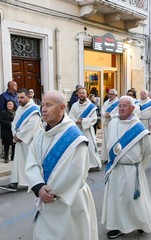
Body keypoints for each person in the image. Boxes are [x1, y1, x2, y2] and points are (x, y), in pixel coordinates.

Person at [25, 90, 98, 240]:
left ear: (62, 107)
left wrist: (48, 193)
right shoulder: (40, 133)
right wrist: (38, 187)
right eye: (43, 105)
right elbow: (31, 161)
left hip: (68, 203)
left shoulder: (75, 138)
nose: (43, 109)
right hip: (45, 198)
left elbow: (74, 174)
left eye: (49, 105)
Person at [102, 96, 151, 239]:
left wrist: (138, 167)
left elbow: (147, 151)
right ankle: (116, 226)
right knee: (116, 199)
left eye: (125, 106)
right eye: (120, 106)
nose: (122, 108)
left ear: (132, 108)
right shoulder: (113, 123)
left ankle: (140, 223)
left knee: (134, 199)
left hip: (133, 170)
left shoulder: (139, 128)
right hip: (116, 168)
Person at [0, 88, 41, 192]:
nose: (20, 100)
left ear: (28, 97)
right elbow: (14, 123)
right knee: (18, 162)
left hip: (29, 142)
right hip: (19, 140)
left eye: (22, 97)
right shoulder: (19, 108)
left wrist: (20, 136)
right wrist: (15, 134)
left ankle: (36, 182)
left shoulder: (34, 109)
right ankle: (14, 183)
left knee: (29, 163)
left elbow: (32, 126)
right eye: (18, 97)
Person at [69, 88, 102, 170]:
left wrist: (83, 121)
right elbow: (70, 117)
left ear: (86, 94)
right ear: (77, 94)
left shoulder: (91, 106)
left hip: (87, 130)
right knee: (79, 147)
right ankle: (81, 165)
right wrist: (76, 121)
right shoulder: (74, 105)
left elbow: (94, 118)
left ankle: (95, 164)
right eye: (80, 93)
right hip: (77, 129)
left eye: (83, 93)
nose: (81, 94)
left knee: (90, 147)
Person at [101, 88, 119, 163]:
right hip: (107, 123)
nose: (110, 95)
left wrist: (111, 115)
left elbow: (119, 113)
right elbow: (103, 110)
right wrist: (105, 114)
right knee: (106, 140)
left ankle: (114, 156)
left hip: (114, 124)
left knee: (113, 139)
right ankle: (107, 156)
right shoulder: (106, 102)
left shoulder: (119, 102)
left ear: (115, 95)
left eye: (112, 94)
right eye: (109, 94)